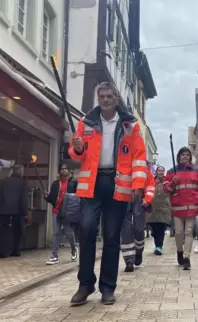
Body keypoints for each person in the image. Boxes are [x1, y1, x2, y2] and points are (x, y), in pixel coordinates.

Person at [68, 82, 147, 306]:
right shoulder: (86, 121)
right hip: (92, 184)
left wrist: (138, 185)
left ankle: (107, 287)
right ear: (98, 98)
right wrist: (77, 147)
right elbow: (76, 153)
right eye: (102, 96)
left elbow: (138, 156)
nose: (105, 99)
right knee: (87, 229)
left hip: (118, 183)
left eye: (109, 96)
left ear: (116, 98)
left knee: (112, 237)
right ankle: (85, 284)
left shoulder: (130, 124)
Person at [164, 147, 198, 270]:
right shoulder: (171, 172)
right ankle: (179, 251)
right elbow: (165, 190)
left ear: (190, 157)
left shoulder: (197, 172)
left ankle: (186, 257)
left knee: (188, 232)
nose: (185, 157)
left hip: (192, 207)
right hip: (178, 207)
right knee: (178, 232)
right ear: (179, 157)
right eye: (183, 155)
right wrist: (172, 183)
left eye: (187, 155)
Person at [121, 161, 155, 272]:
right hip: (124, 197)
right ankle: (129, 261)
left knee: (139, 228)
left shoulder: (145, 168)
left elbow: (150, 186)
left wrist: (147, 200)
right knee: (126, 230)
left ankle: (139, 250)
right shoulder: (122, 162)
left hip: (139, 198)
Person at [44, 163, 78, 265]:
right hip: (56, 211)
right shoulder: (55, 184)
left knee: (68, 232)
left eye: (65, 169)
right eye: (62, 169)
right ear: (59, 171)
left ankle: (73, 248)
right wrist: (46, 196)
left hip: (67, 212)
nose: (64, 170)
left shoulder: (73, 183)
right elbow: (51, 199)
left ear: (69, 171)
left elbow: (77, 197)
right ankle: (54, 256)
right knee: (56, 233)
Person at [0, 164, 28, 258]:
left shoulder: (3, 182)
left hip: (4, 210)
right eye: (22, 171)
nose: (23, 173)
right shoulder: (23, 183)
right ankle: (15, 251)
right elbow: (24, 199)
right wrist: (25, 212)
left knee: (4, 231)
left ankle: (3, 252)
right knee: (17, 231)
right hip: (17, 210)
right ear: (19, 171)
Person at [146, 165, 172, 255]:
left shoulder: (167, 182)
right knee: (154, 228)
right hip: (152, 208)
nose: (161, 172)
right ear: (156, 172)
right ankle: (157, 244)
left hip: (164, 208)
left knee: (161, 227)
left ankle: (159, 247)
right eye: (159, 170)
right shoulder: (151, 181)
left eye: (162, 170)